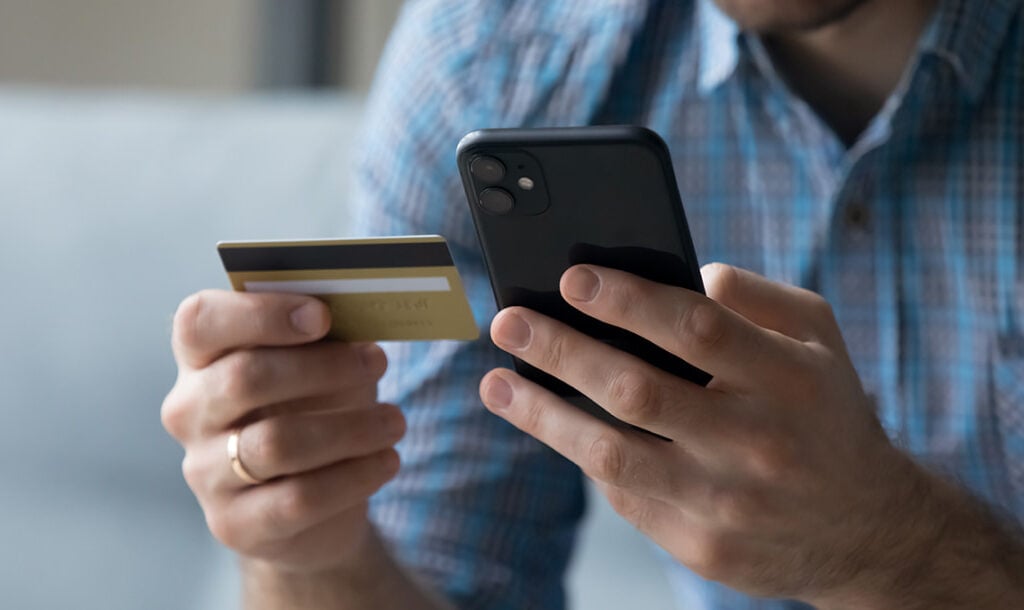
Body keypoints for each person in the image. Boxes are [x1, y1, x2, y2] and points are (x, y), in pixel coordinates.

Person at [161, 0, 1024, 607]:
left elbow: (886, 552)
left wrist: (894, 549)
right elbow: (454, 584)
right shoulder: (487, 52)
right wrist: (305, 556)